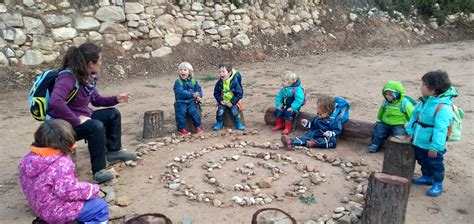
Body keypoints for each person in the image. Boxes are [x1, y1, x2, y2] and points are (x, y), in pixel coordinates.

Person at [48, 42, 137, 183]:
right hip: (63, 126)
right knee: (96, 126)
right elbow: (55, 102)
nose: (101, 63)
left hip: (81, 117)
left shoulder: (86, 77)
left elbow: (95, 99)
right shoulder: (67, 78)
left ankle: (114, 152)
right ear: (90, 63)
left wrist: (116, 99)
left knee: (113, 114)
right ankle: (99, 171)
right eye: (99, 60)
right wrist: (76, 120)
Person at [18, 119, 109, 224]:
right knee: (100, 207)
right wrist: (93, 189)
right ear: (67, 140)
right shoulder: (61, 163)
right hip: (56, 211)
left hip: (39, 207)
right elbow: (68, 191)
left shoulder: (28, 159)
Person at [406, 70, 457, 197]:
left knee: (435, 164)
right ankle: (427, 177)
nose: (421, 87)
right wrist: (410, 131)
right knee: (423, 160)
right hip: (419, 141)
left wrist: (435, 147)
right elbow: (414, 116)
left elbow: (441, 130)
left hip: (432, 145)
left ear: (433, 88)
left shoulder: (443, 108)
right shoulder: (424, 102)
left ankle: (437, 183)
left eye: (423, 84)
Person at [368, 81, 415, 153]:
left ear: (397, 94)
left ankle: (395, 149)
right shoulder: (385, 102)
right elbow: (381, 111)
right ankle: (375, 144)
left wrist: (411, 128)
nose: (387, 96)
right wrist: (379, 120)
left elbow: (412, 117)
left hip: (398, 124)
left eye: (390, 94)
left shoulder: (405, 104)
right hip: (384, 122)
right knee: (378, 131)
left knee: (398, 135)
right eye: (386, 94)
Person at [213, 63, 245, 131]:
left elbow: (239, 94)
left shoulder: (234, 82)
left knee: (235, 111)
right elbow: (216, 93)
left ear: (229, 73)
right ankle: (219, 122)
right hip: (223, 101)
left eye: (223, 72)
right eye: (220, 72)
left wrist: (232, 102)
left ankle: (238, 122)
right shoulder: (219, 83)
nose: (221, 74)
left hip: (233, 101)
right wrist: (220, 100)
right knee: (220, 111)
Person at [173, 62, 203, 135]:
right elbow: (181, 92)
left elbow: (198, 90)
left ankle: (197, 126)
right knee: (181, 113)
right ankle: (182, 129)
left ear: (189, 72)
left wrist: (199, 96)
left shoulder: (193, 81)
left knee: (194, 112)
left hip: (191, 101)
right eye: (181, 70)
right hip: (181, 101)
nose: (182, 71)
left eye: (185, 70)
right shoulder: (178, 82)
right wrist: (193, 95)